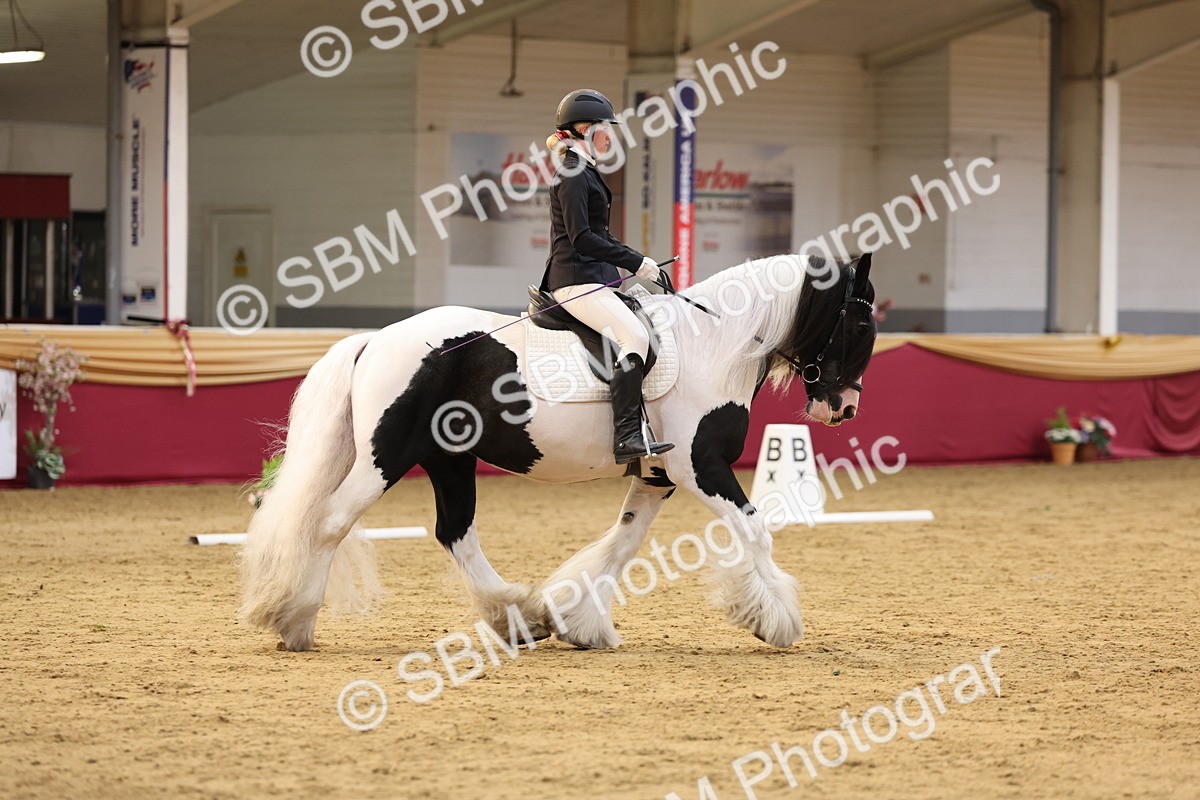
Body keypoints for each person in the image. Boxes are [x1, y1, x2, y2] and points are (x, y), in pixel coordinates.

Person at [539, 88, 674, 465]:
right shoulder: (572, 173)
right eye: (605, 128)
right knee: (632, 335)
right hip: (574, 279)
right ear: (584, 129)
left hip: (592, 277)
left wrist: (639, 264)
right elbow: (581, 237)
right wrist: (635, 262)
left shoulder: (585, 171)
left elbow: (600, 234)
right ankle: (627, 436)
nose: (611, 135)